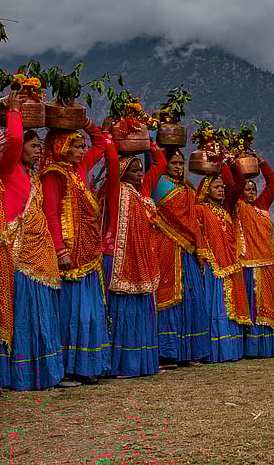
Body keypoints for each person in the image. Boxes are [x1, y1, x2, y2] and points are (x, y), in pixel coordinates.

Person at [0, 95, 66, 390]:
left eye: (40, 146)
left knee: (43, 313)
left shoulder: (33, 176)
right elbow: (11, 142)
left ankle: (47, 374)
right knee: (23, 312)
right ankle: (22, 375)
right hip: (19, 255)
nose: (38, 151)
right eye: (33, 145)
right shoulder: (9, 169)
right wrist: (14, 112)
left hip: (40, 254)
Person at [42, 121, 110, 384]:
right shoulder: (54, 174)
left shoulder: (76, 172)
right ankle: (71, 367)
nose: (83, 151)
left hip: (88, 252)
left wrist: (87, 123)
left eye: (83, 146)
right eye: (77, 146)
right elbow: (51, 214)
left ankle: (89, 366)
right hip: (70, 255)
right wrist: (60, 250)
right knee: (73, 313)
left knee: (90, 312)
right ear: (62, 148)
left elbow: (102, 145)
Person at [101, 142, 164, 376]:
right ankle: (120, 365)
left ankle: (141, 364)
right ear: (122, 173)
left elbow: (160, 164)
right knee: (122, 314)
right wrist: (111, 140)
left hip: (141, 262)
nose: (140, 175)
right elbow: (113, 162)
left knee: (141, 314)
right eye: (135, 171)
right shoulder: (116, 191)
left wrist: (151, 141)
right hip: (119, 259)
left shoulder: (142, 193)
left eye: (141, 170)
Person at [151, 146, 210, 366]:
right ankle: (168, 353)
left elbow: (193, 220)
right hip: (168, 245)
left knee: (192, 298)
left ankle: (190, 352)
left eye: (180, 163)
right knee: (169, 297)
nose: (177, 167)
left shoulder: (186, 188)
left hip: (188, 250)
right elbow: (177, 216)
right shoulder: (160, 184)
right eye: (173, 163)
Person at [227, 159, 274, 359]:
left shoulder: (262, 205)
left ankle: (266, 348)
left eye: (253, 188)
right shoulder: (237, 206)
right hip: (247, 264)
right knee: (250, 308)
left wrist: (263, 164)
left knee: (267, 307)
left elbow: (272, 184)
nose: (251, 192)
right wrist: (231, 163)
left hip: (269, 264)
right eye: (247, 189)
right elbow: (234, 184)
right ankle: (250, 348)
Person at [194, 169, 249, 363]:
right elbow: (198, 234)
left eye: (222, 187)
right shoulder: (199, 209)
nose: (221, 190)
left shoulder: (225, 208)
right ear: (206, 190)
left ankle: (231, 351)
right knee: (215, 306)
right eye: (216, 187)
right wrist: (202, 255)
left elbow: (239, 184)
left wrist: (226, 162)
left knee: (231, 307)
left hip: (231, 265)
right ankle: (215, 351)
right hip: (212, 266)